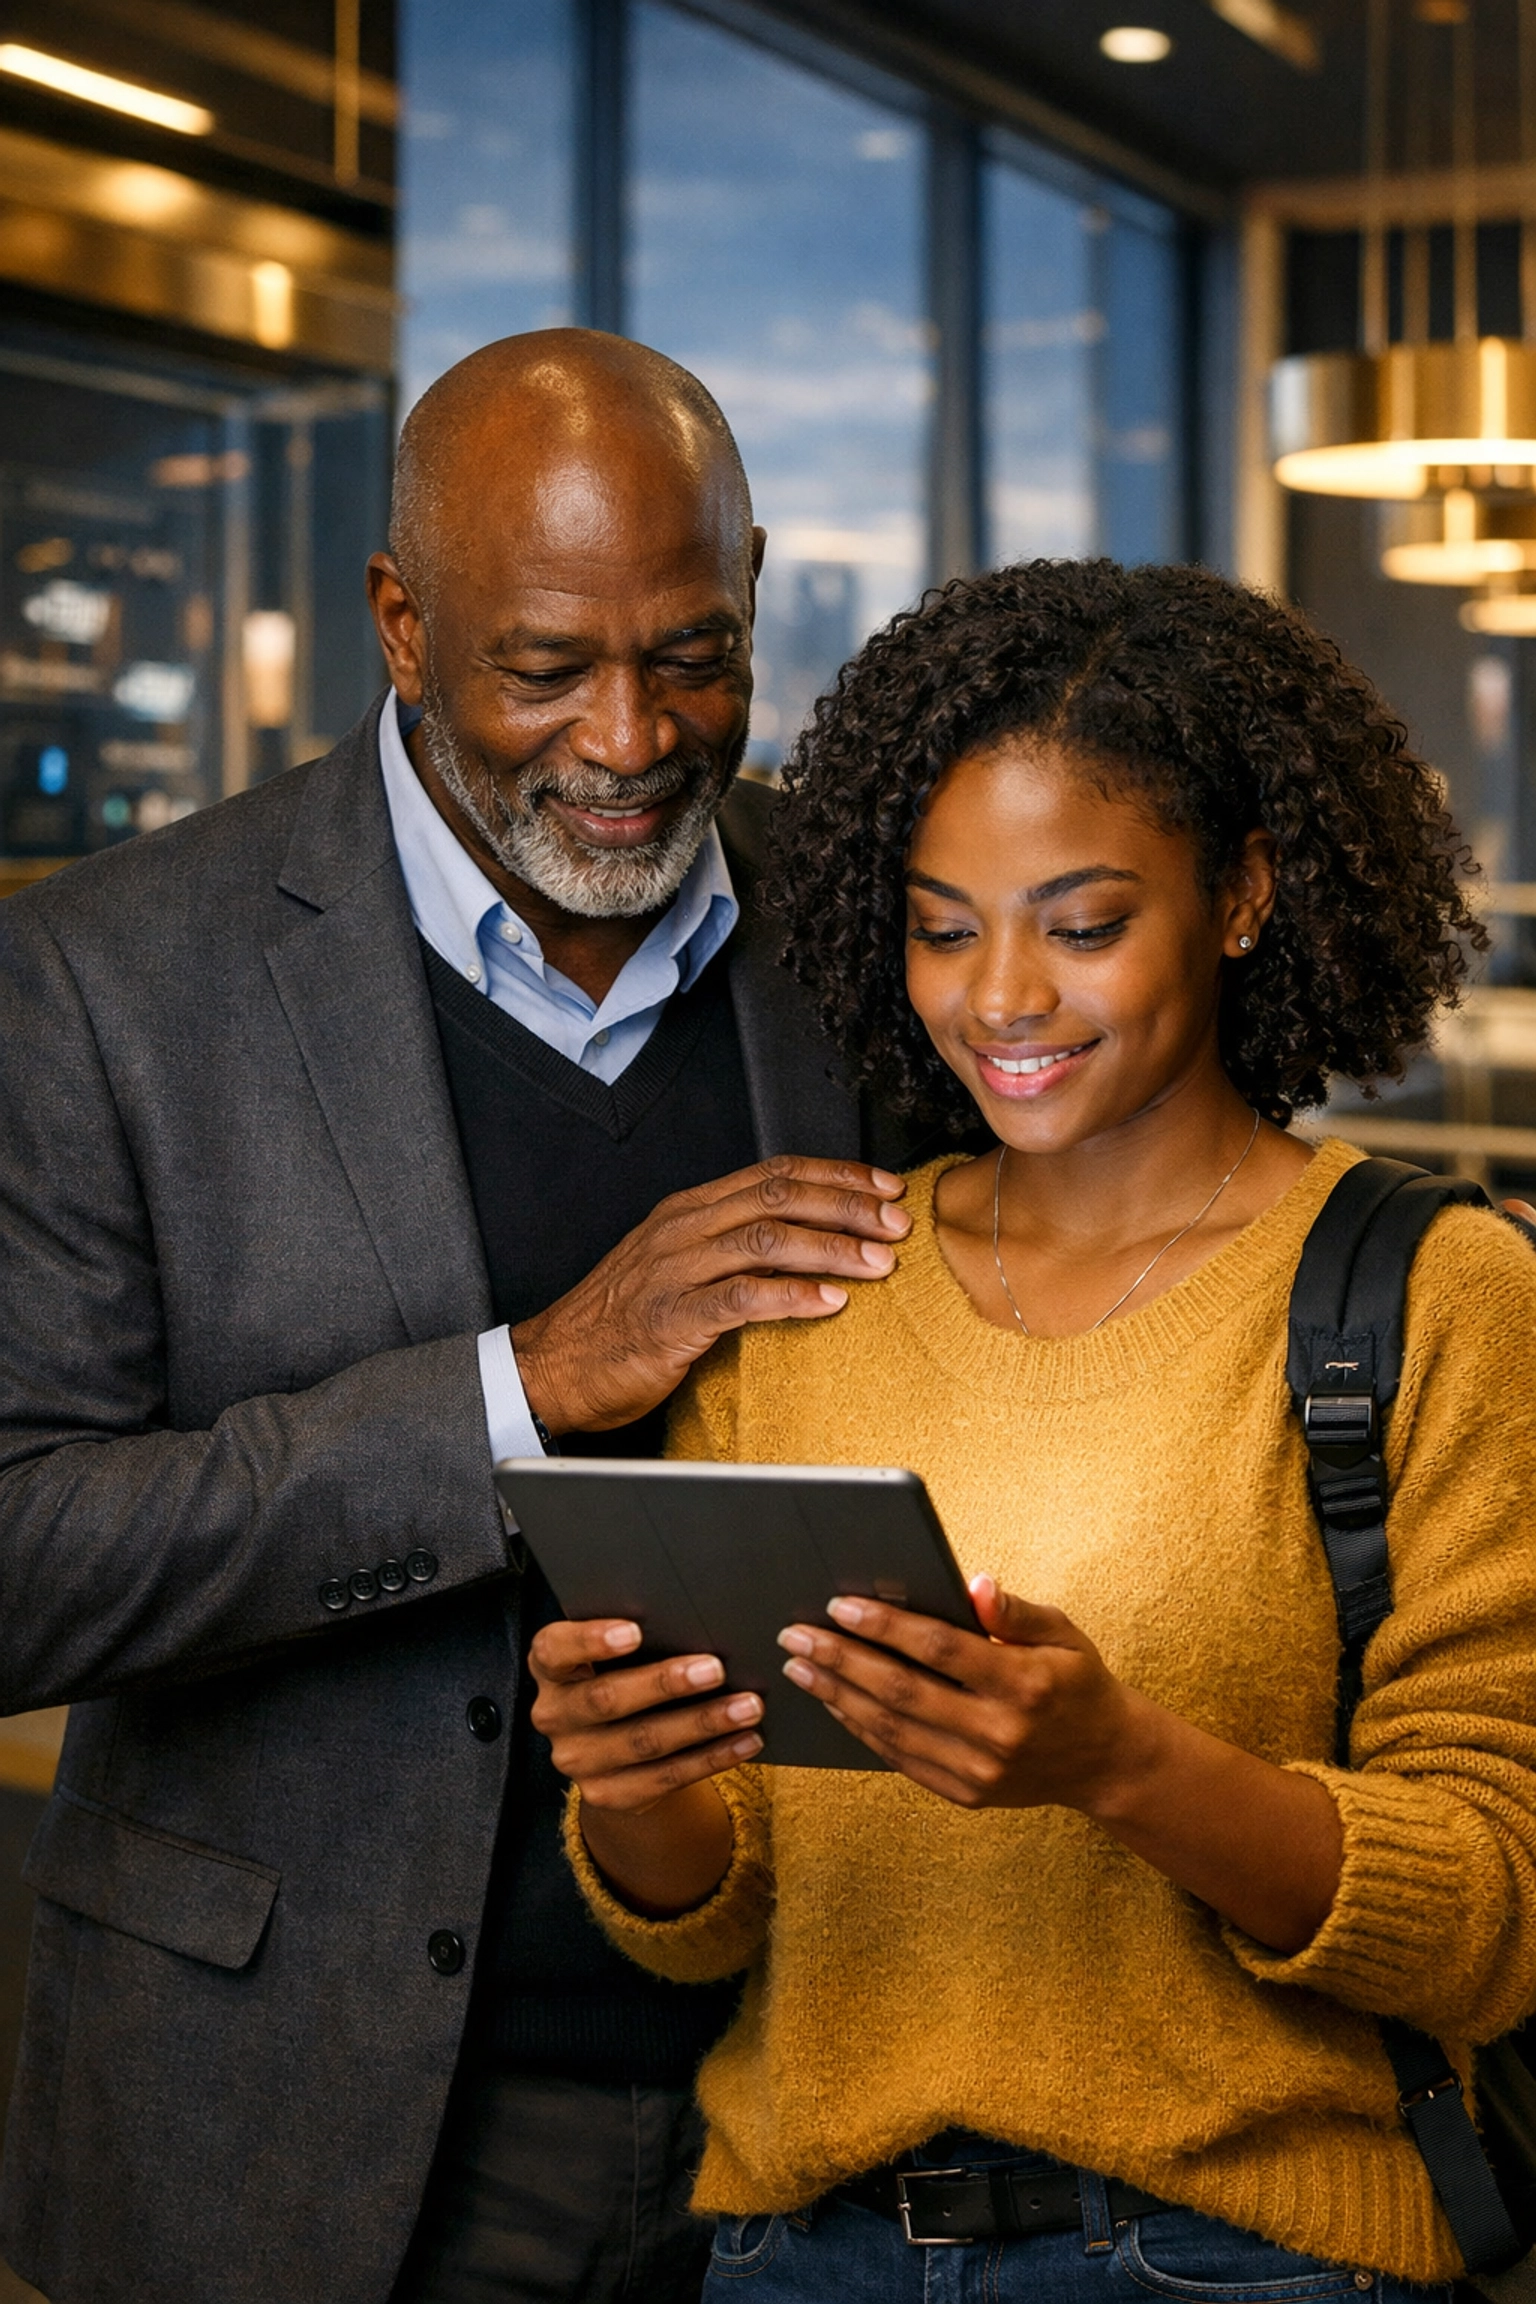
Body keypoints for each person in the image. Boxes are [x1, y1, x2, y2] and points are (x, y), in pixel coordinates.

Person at [0, 329, 925, 2304]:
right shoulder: (101, 982)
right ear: (401, 627)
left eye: (692, 650)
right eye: (545, 667)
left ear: (754, 583)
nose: (630, 735)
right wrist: (524, 1389)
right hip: (293, 2130)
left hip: (808, 2117)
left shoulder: (870, 948)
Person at [533, 559, 1536, 2301]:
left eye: (1081, 926)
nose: (1000, 996)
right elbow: (717, 1911)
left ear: (1240, 895)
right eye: (942, 925)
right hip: (801, 2252)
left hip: (1242, 2258)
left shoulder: (1433, 1300)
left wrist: (1118, 1768)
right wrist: (637, 1790)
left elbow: (1492, 1919)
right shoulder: (814, 1292)